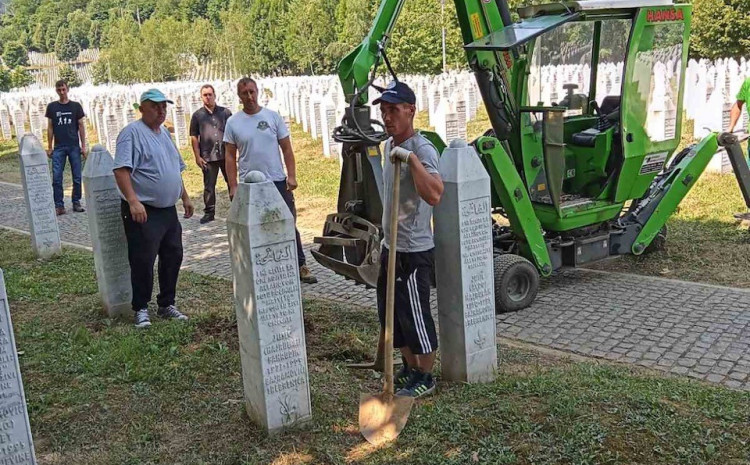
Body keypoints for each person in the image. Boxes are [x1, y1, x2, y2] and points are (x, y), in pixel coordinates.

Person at [375, 81, 444, 398]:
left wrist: (411, 161)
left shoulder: (423, 149)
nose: (387, 117)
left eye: (394, 110)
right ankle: (409, 367)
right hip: (391, 246)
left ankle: (426, 375)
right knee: (392, 314)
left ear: (411, 111)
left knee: (416, 314)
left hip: (414, 250)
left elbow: (434, 194)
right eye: (384, 111)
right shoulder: (388, 146)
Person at [113, 89, 195, 329]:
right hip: (143, 209)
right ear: (142, 108)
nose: (161, 111)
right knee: (143, 259)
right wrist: (132, 200)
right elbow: (121, 170)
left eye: (164, 107)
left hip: (167, 210)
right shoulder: (132, 134)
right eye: (155, 106)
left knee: (173, 255)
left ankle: (166, 303)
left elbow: (174, 169)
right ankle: (140, 308)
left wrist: (185, 196)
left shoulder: (164, 135)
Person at [223, 77, 318, 284]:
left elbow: (286, 148)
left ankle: (300, 264)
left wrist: (291, 175)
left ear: (257, 92)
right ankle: (262, 266)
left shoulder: (272, 117)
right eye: (244, 93)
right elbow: (229, 156)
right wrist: (233, 186)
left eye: (252, 91)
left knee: (287, 223)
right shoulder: (233, 122)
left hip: (276, 180)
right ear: (239, 96)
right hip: (250, 185)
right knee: (255, 226)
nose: (249, 97)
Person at [189, 84, 233, 224]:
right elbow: (194, 136)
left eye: (210, 94)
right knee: (209, 186)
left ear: (215, 95)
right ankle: (209, 212)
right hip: (208, 156)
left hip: (226, 155)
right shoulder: (197, 116)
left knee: (232, 182)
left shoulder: (225, 113)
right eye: (205, 95)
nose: (208, 97)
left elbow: (233, 133)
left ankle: (238, 209)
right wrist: (197, 156)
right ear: (201, 97)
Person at [45, 79, 87, 216]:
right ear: (56, 91)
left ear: (67, 89)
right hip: (59, 147)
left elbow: (81, 126)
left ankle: (76, 202)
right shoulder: (52, 107)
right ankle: (59, 205)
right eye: (59, 90)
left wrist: (83, 146)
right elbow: (50, 127)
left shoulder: (76, 106)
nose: (62, 92)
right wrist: (49, 146)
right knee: (57, 177)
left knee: (76, 176)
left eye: (64, 89)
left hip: (74, 145)